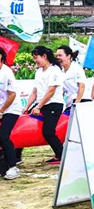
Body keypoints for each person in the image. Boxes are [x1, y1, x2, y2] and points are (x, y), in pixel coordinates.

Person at [24, 46, 64, 165]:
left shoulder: (54, 70)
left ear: (44, 56)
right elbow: (35, 92)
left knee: (48, 132)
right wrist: (27, 107)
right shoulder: (38, 72)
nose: (35, 60)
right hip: (41, 104)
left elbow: (51, 91)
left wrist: (38, 107)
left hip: (53, 104)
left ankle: (61, 155)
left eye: (36, 58)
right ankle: (16, 156)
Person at [0, 47, 22, 179]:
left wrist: (1, 111)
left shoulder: (6, 72)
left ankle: (13, 167)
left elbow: (12, 95)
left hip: (11, 108)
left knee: (3, 135)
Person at [56, 45, 85, 112]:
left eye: (60, 55)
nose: (58, 58)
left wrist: (76, 104)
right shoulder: (60, 71)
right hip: (69, 103)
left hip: (80, 101)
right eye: (57, 56)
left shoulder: (76, 68)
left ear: (68, 56)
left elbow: (81, 86)